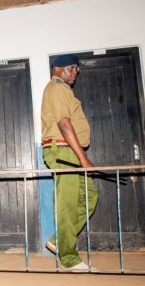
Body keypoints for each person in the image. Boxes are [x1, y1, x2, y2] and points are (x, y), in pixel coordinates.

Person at [41, 54, 99, 270]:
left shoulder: (64, 89)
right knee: (67, 203)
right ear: (57, 68)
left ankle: (58, 240)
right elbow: (64, 124)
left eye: (77, 69)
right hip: (63, 150)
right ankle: (69, 258)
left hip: (70, 152)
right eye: (71, 68)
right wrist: (83, 158)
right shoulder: (57, 88)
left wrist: (81, 156)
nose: (75, 72)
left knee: (89, 197)